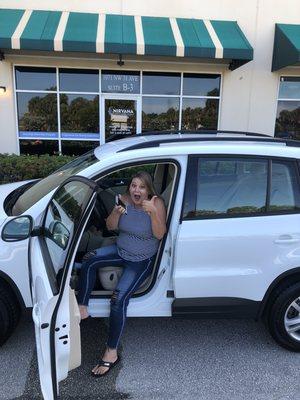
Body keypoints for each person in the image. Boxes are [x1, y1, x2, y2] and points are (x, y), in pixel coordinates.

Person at [76, 170, 167, 377]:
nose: (137, 190)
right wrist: (116, 213)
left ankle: (111, 353)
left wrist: (152, 212)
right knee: (89, 259)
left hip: (141, 260)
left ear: (148, 189)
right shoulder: (123, 200)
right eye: (134, 186)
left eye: (142, 187)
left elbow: (160, 234)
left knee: (117, 300)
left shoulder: (156, 203)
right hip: (120, 250)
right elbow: (110, 227)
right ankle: (82, 306)